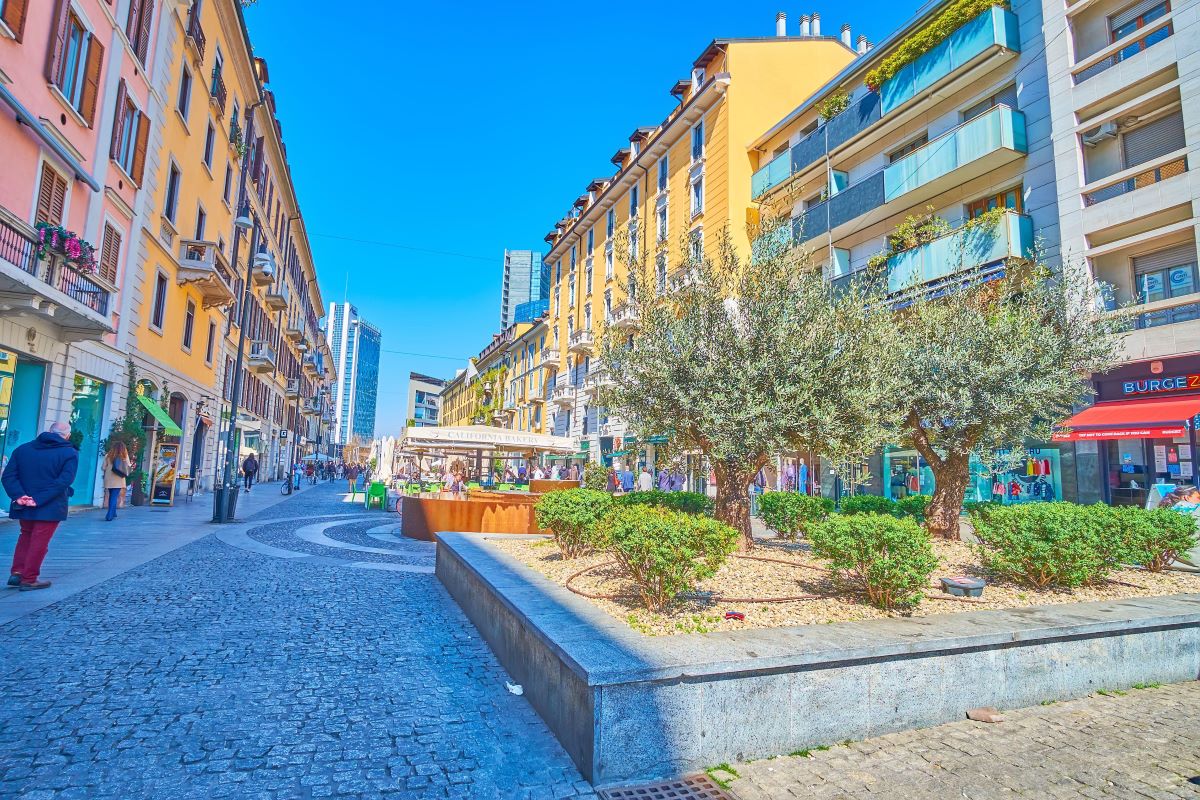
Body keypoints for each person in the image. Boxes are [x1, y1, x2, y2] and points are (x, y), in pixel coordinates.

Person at [3, 422, 78, 591]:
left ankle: (17, 572)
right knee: (39, 541)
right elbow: (64, 481)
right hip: (50, 505)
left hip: (24, 504)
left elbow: (8, 476)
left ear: (49, 431)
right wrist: (38, 499)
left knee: (25, 536)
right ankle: (29, 579)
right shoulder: (69, 452)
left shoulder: (23, 449)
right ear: (67, 436)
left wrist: (19, 496)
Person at [101, 441, 130, 521]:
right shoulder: (124, 456)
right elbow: (128, 466)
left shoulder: (108, 456)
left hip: (109, 479)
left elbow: (103, 467)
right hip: (119, 478)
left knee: (112, 495)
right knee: (114, 496)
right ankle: (109, 514)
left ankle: (113, 512)